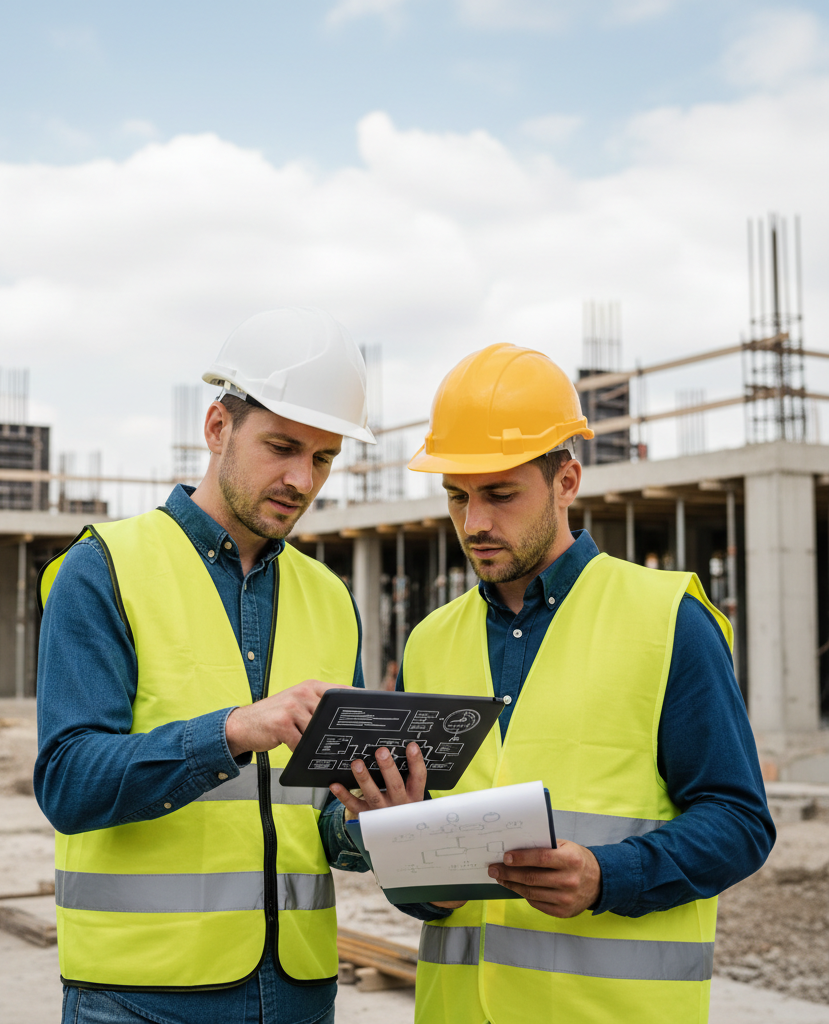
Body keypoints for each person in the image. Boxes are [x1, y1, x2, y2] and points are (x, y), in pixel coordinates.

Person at [332, 343, 775, 1024]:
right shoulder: (429, 641)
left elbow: (740, 821)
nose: (475, 524)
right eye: (457, 496)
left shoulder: (667, 621)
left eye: (500, 494)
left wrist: (608, 876)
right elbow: (422, 876)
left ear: (566, 481)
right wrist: (415, 867)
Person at [35, 308, 393, 1024]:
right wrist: (232, 731)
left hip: (297, 993)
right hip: (139, 997)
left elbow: (319, 821)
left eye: (323, 459)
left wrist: (375, 818)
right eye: (281, 447)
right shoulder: (104, 568)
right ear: (217, 427)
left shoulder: (331, 599)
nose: (301, 479)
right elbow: (69, 782)